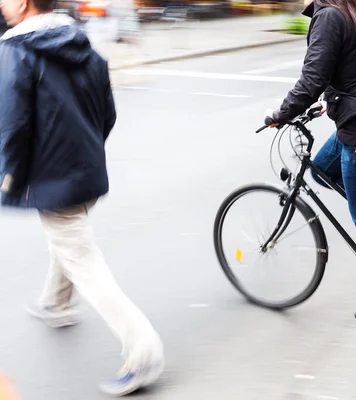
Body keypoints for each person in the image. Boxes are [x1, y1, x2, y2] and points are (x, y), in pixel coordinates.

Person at [0, 1, 163, 396]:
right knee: (70, 243)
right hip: (85, 169)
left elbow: (12, 122)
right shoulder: (83, 45)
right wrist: (84, 152)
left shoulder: (17, 50)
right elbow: (106, 113)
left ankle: (143, 351)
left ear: (23, 4)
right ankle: (55, 303)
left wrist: (9, 178)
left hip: (51, 175)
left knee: (83, 260)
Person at [266, 0, 356, 325]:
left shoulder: (329, 15)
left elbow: (311, 78)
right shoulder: (352, 9)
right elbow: (354, 67)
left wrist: (280, 114)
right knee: (321, 170)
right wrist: (332, 100)